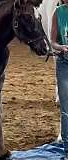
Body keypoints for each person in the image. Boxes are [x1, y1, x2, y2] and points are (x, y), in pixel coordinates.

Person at [51, 0, 68, 158]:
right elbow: (53, 41)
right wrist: (61, 47)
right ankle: (67, 148)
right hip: (64, 63)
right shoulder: (58, 12)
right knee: (65, 109)